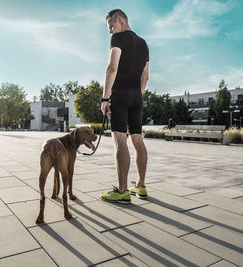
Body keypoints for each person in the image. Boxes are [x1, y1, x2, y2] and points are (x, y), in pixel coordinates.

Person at [100, 9, 149, 204]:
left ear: (120, 20)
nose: (110, 31)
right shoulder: (144, 43)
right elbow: (145, 76)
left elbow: (112, 68)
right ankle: (141, 186)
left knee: (120, 141)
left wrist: (105, 98)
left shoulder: (118, 39)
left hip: (119, 94)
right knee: (138, 140)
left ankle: (122, 191)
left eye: (111, 26)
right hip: (137, 95)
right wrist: (137, 95)